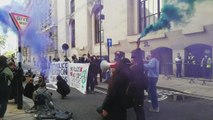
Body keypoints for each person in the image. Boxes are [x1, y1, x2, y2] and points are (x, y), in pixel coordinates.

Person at [130, 48, 148, 120]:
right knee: (138, 110)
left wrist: (138, 50)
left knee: (139, 110)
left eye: (133, 59)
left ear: (135, 60)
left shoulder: (137, 68)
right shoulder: (136, 67)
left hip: (137, 92)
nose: (132, 60)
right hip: (138, 92)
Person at [0, 55, 14, 120]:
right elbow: (12, 77)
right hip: (5, 88)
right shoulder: (7, 69)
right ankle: (1, 115)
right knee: (4, 102)